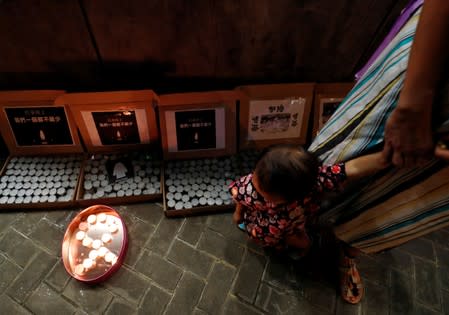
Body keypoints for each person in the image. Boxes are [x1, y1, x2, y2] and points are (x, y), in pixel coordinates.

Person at [308, 0, 449, 305]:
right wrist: (414, 104)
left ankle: (350, 247)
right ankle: (307, 212)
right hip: (432, 78)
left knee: (401, 209)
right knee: (343, 154)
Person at [229, 144, 390, 303]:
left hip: (295, 224)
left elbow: (349, 170)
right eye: (255, 175)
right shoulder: (250, 187)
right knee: (268, 239)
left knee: (299, 241)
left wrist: (384, 160)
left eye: (262, 192)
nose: (253, 187)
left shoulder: (312, 182)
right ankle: (278, 244)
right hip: (265, 224)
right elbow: (241, 199)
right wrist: (238, 213)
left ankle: (298, 244)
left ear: (290, 196)